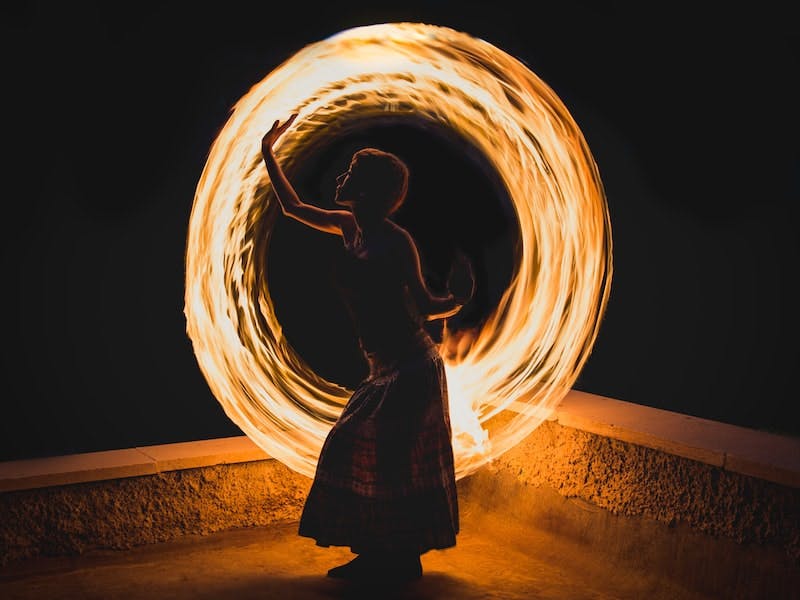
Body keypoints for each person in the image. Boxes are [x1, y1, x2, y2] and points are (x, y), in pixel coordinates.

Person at [261, 114, 475, 583]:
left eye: (351, 174)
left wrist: (458, 298)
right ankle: (383, 556)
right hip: (382, 368)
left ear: (370, 190)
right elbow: (294, 206)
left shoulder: (397, 243)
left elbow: (425, 306)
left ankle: (396, 560)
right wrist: (267, 150)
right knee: (371, 460)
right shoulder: (345, 225)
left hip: (412, 367)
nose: (341, 177)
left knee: (374, 456)